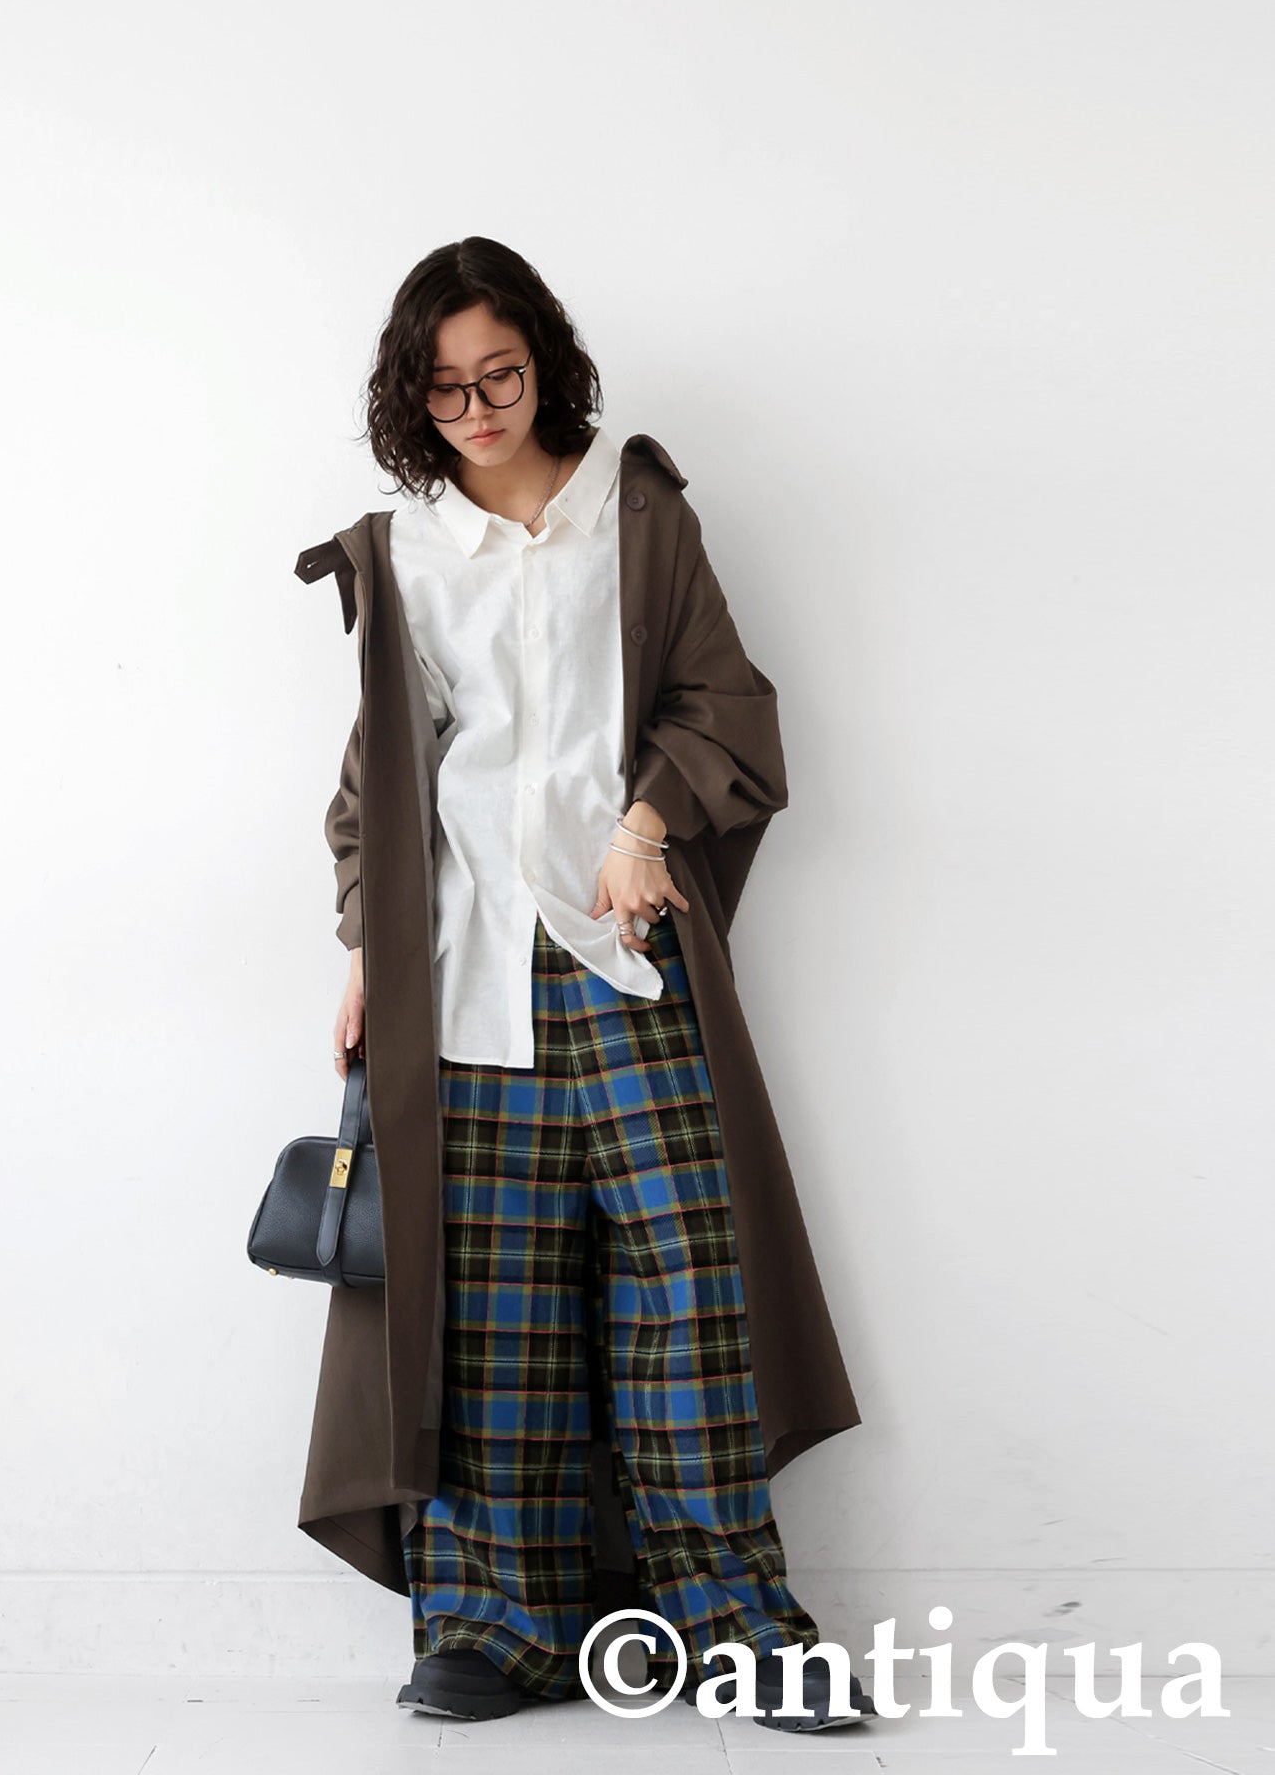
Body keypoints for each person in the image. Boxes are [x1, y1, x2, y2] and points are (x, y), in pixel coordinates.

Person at [324, 237, 873, 1735]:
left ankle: (733, 1620)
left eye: (499, 375)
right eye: (444, 390)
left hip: (623, 958)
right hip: (465, 975)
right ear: (411, 399)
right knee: (488, 1302)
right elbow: (378, 787)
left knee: (691, 1283)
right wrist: (367, 953)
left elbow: (723, 701)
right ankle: (499, 1623)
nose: (477, 409)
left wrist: (647, 824)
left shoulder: (633, 508)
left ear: (545, 364)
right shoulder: (403, 553)